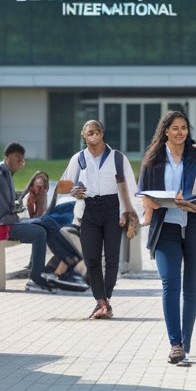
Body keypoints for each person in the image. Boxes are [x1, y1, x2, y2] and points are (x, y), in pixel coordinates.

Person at [139, 110, 196, 366]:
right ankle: (175, 344)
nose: (180, 132)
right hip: (166, 230)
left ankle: (185, 344)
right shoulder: (153, 160)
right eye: (175, 128)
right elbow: (144, 195)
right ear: (165, 130)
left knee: (191, 289)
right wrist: (157, 201)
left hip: (195, 225)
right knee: (170, 285)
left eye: (184, 127)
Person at [0, 142, 80, 293]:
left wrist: (19, 205)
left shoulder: (5, 174)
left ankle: (67, 263)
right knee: (41, 230)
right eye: (17, 159)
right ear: (7, 157)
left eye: (22, 160)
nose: (21, 163)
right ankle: (42, 275)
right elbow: (0, 214)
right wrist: (19, 213)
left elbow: (7, 204)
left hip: (7, 222)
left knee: (45, 224)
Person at [59, 119, 138, 319]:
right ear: (83, 136)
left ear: (102, 133)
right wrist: (73, 191)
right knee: (91, 259)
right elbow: (63, 186)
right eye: (89, 133)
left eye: (96, 131)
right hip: (89, 209)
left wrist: (126, 212)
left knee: (111, 259)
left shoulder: (117, 158)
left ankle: (105, 300)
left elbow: (130, 186)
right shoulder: (78, 159)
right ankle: (101, 302)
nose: (93, 135)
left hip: (113, 209)